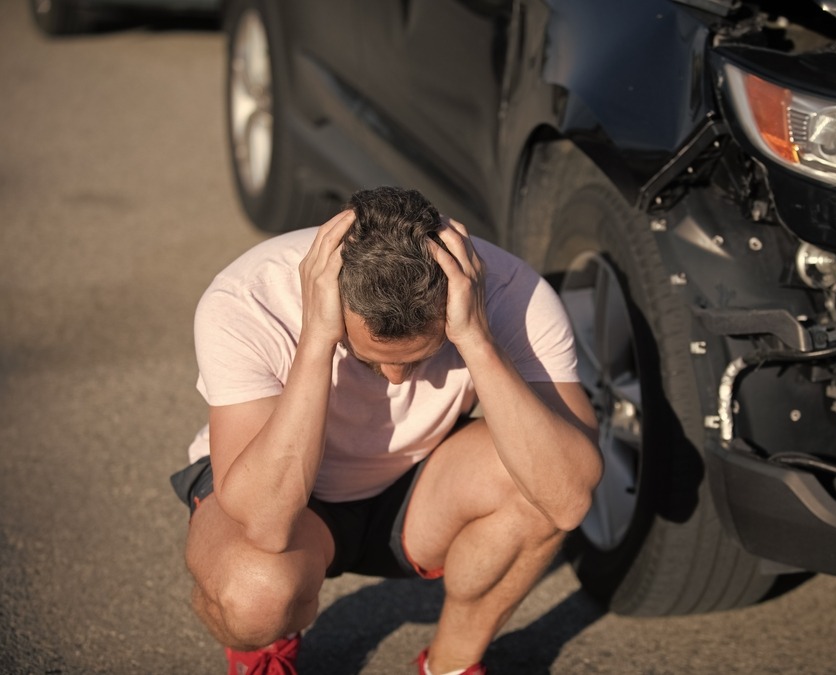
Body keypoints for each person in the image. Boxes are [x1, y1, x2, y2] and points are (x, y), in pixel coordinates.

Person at [170, 186, 603, 674]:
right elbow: (265, 525)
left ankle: (451, 666)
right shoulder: (250, 297)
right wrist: (317, 339)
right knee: (252, 598)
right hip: (278, 495)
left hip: (415, 487)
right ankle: (268, 643)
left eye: (420, 357)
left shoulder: (511, 294)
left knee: (540, 484)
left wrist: (476, 338)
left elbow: (566, 500)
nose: (398, 379)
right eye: (370, 358)